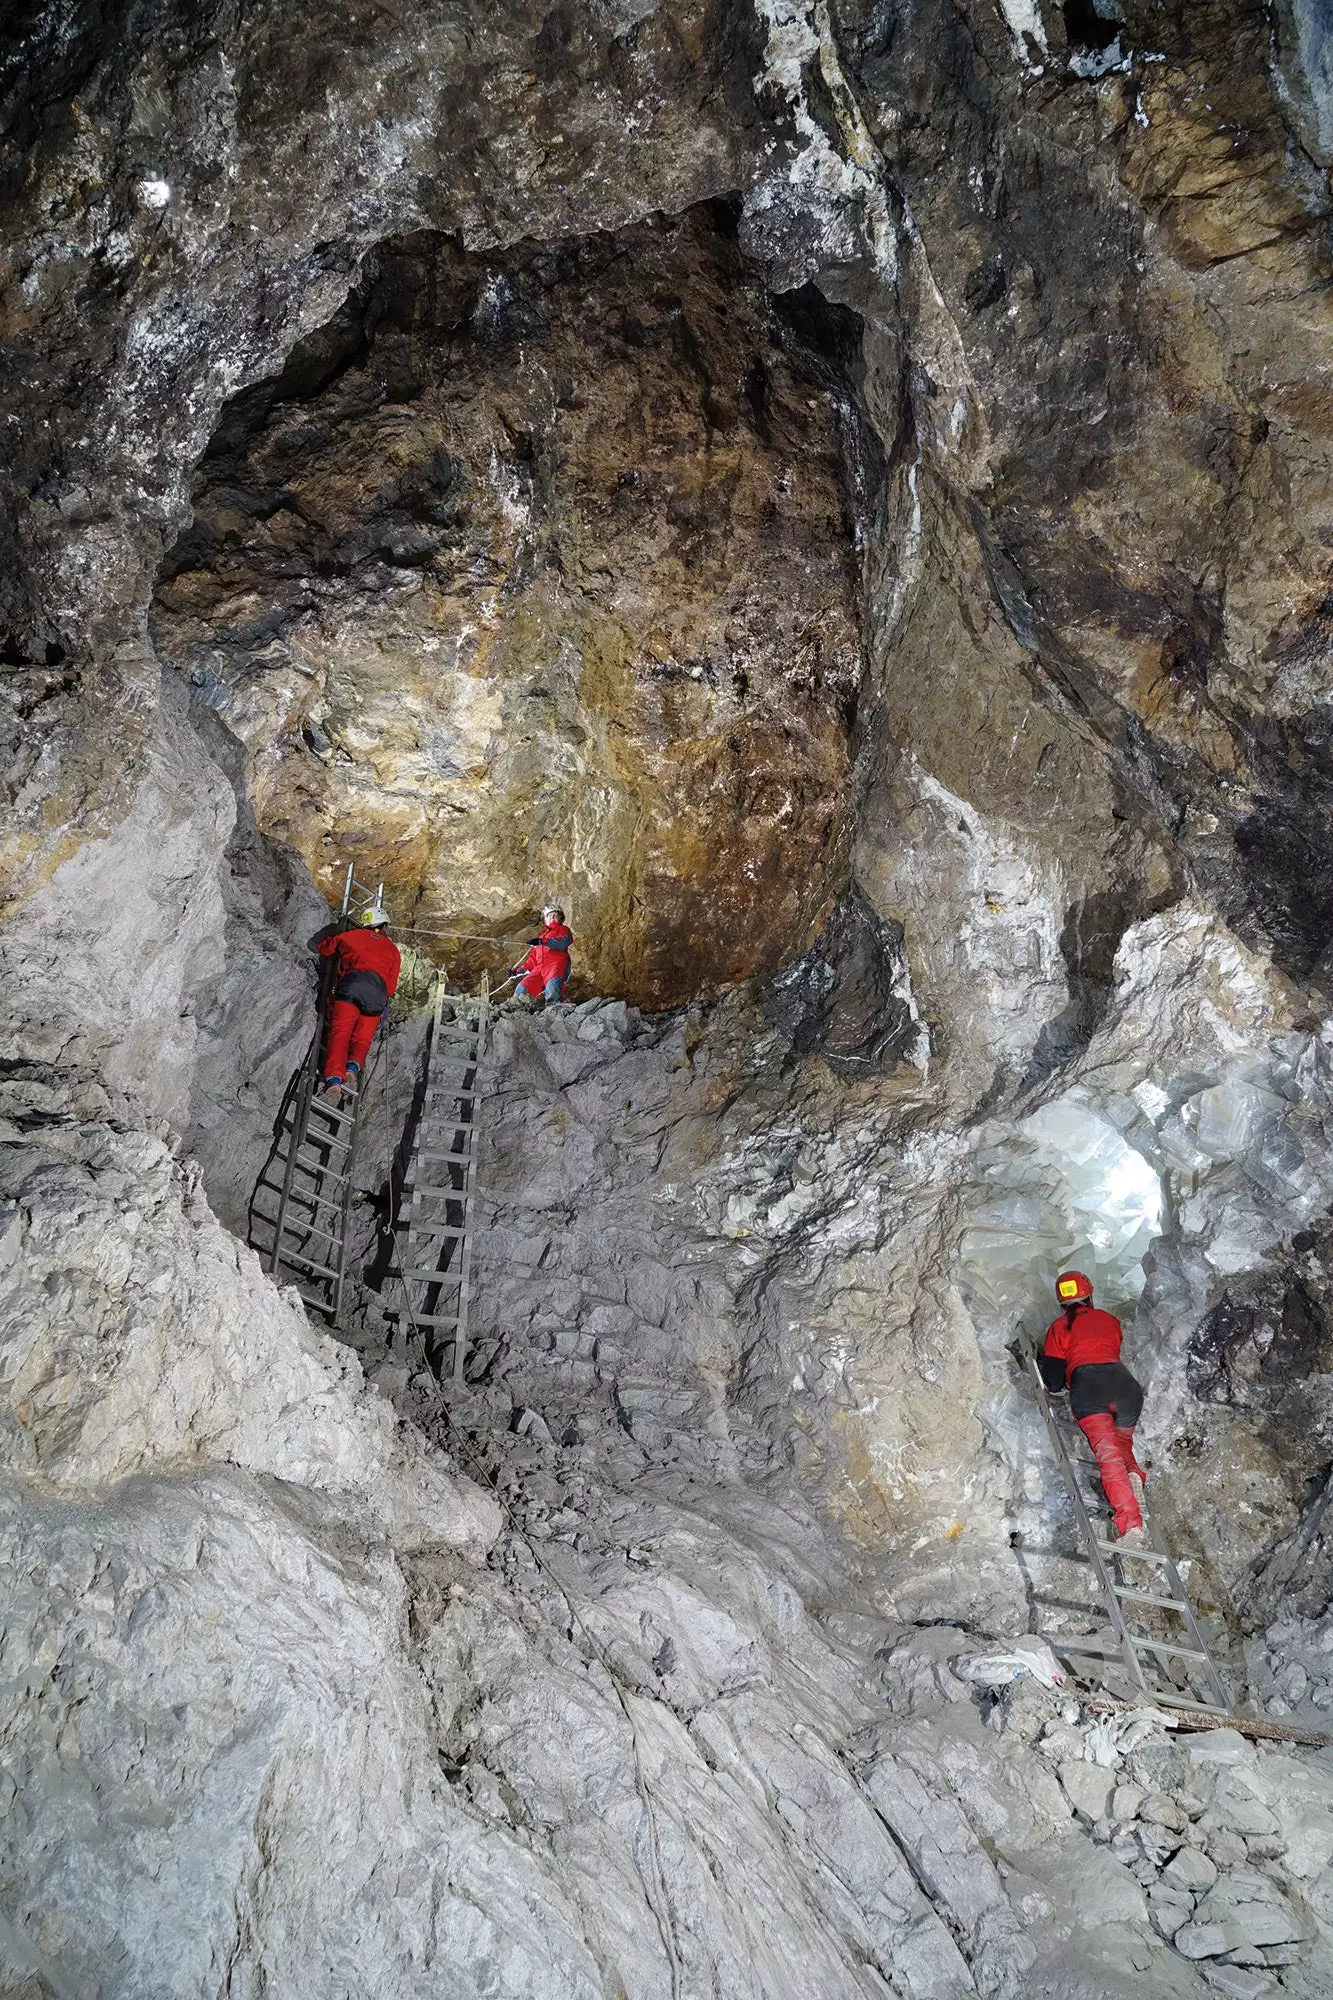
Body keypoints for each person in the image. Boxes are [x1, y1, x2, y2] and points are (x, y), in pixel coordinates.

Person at [1039, 1271, 1146, 1541]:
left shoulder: (1058, 1328)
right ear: (1090, 1295)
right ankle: (1133, 1474)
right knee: (1122, 1446)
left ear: (1062, 1303)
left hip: (1089, 1389)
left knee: (1108, 1458)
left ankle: (1130, 1521)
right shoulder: (1109, 1320)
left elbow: (1052, 1377)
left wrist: (1058, 1384)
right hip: (1125, 1387)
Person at [316, 906, 401, 1101]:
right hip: (377, 995)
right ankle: (352, 1066)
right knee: (362, 1037)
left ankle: (334, 1080)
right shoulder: (393, 950)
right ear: (384, 925)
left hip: (352, 986)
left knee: (340, 1032)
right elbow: (390, 988)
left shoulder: (353, 936)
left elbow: (325, 947)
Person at [508, 905, 573, 1008]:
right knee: (522, 989)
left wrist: (542, 942)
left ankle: (554, 1011)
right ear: (545, 919)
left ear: (560, 918)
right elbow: (531, 962)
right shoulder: (541, 937)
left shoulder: (563, 929)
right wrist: (517, 972)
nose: (552, 917)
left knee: (552, 988)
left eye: (555, 915)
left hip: (555, 964)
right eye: (549, 915)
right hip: (539, 968)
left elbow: (563, 942)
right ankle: (517, 1010)